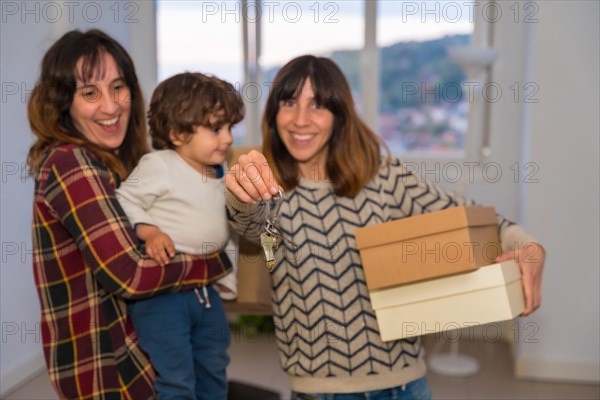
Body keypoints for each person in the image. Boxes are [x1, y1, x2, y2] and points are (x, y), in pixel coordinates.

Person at [224, 55, 545, 399]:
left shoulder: (385, 177)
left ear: (339, 115)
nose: (300, 120)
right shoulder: (269, 190)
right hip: (318, 391)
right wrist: (243, 194)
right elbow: (250, 223)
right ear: (274, 113)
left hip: (404, 385)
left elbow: (477, 219)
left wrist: (528, 247)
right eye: (289, 103)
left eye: (317, 105)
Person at [27, 29, 231, 400]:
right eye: (90, 93)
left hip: (141, 353)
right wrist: (214, 263)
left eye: (118, 87)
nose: (110, 106)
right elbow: (131, 275)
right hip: (109, 368)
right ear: (63, 103)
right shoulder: (71, 163)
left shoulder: (124, 162)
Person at [115, 72, 244, 399]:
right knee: (176, 378)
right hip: (163, 297)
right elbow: (124, 200)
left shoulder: (220, 171)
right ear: (176, 133)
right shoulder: (160, 164)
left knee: (213, 366)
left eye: (230, 128)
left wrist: (226, 279)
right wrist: (150, 231)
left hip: (204, 290)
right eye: (216, 129)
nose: (227, 138)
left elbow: (226, 229)